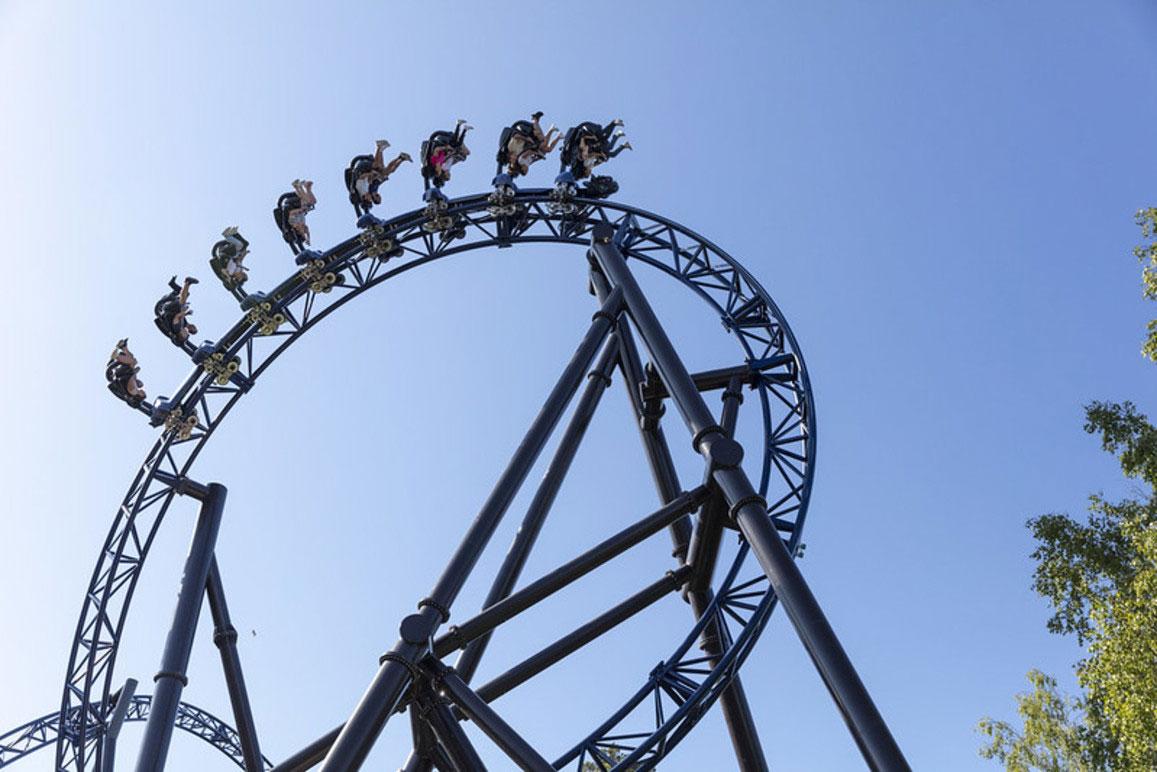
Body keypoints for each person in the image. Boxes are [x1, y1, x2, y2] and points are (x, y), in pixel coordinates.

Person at [348, 140, 412, 216]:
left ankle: (379, 147)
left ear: (365, 199)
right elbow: (369, 181)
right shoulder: (366, 191)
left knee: (379, 167)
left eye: (370, 199)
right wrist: (375, 177)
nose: (370, 198)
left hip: (362, 169)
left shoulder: (361, 190)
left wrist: (371, 174)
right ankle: (401, 158)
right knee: (388, 171)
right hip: (366, 171)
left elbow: (361, 178)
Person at [154, 276, 199, 346]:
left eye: (186, 335)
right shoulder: (183, 324)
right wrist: (185, 313)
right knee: (185, 295)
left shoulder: (177, 329)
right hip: (167, 307)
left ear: (181, 336)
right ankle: (179, 284)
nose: (186, 334)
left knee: (182, 304)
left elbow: (177, 317)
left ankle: (187, 282)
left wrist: (185, 313)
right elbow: (180, 316)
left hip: (164, 308)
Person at [106, 338, 146, 407]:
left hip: (121, 374)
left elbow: (131, 379)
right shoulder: (133, 391)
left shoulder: (133, 391)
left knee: (133, 361)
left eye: (144, 395)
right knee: (132, 359)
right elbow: (132, 378)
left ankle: (117, 356)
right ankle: (123, 347)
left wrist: (134, 372)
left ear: (140, 396)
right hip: (122, 374)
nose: (144, 392)